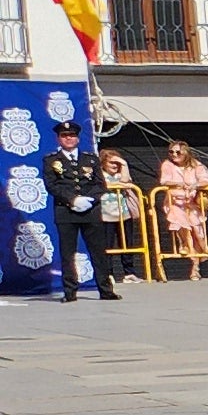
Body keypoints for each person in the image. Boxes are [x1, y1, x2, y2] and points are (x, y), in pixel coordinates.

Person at [44, 120, 119, 301]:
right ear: (59, 138)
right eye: (64, 135)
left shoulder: (90, 159)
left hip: (90, 211)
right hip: (66, 211)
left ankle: (105, 290)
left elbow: (100, 184)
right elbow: (51, 185)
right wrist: (72, 199)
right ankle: (70, 292)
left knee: (98, 251)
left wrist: (90, 199)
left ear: (77, 138)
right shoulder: (51, 160)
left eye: (72, 135)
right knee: (67, 253)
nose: (68, 138)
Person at [157, 147, 208, 278]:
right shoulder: (167, 165)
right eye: (171, 152)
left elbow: (207, 180)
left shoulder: (197, 165)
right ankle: (193, 265)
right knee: (184, 230)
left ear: (186, 153)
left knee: (198, 235)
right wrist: (180, 183)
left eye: (178, 152)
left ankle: (196, 264)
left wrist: (195, 185)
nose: (174, 154)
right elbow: (164, 180)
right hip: (176, 203)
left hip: (193, 204)